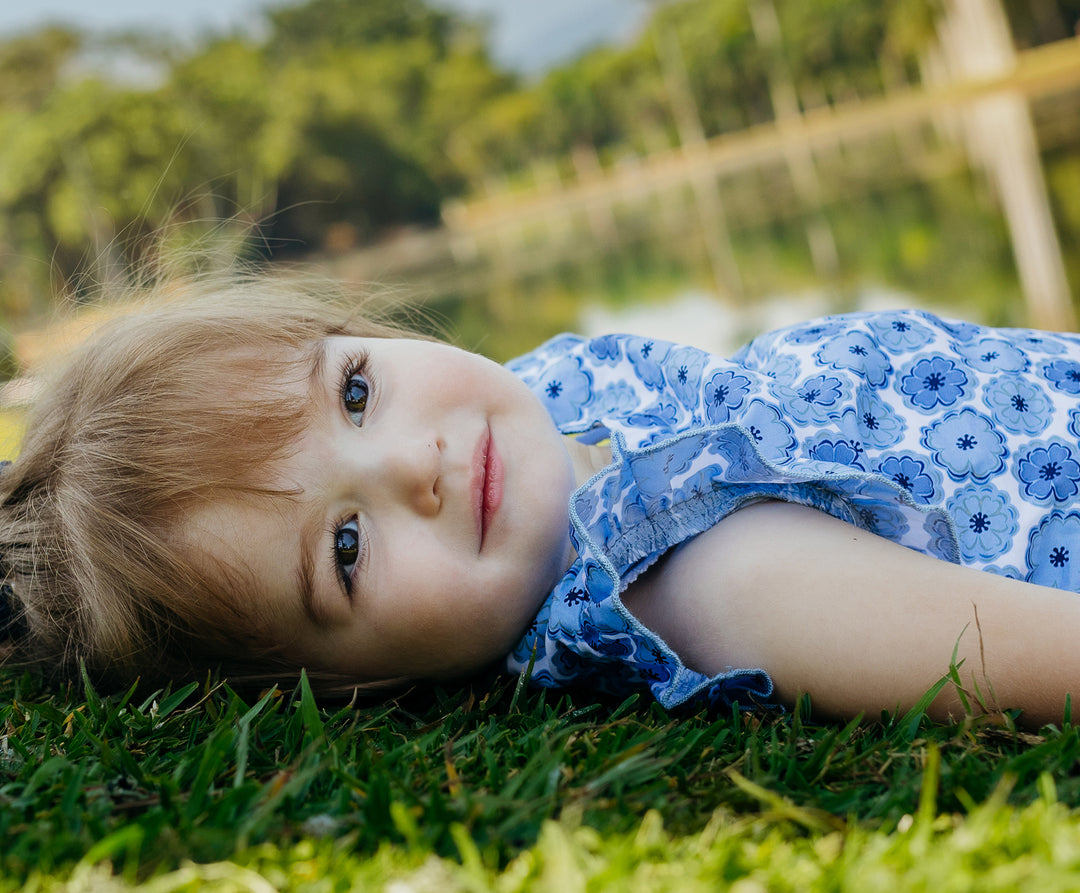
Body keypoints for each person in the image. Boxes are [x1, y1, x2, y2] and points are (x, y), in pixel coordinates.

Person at [3, 275, 1080, 728]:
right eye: (344, 546)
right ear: (355, 682)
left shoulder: (560, 423)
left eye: (356, 391)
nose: (411, 467)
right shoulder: (711, 577)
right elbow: (1040, 652)